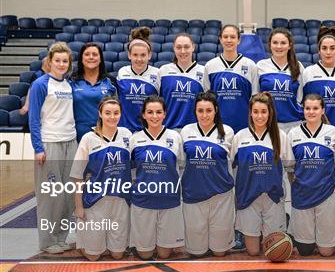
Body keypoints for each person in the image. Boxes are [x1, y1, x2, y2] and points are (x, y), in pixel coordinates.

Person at [29, 42, 77, 254]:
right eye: (57, 60)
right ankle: (47, 241)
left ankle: (61, 237)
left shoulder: (68, 85)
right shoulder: (40, 84)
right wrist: (38, 148)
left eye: (65, 61)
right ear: (50, 62)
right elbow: (33, 118)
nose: (61, 64)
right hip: (50, 144)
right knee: (50, 196)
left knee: (67, 195)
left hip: (70, 142)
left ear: (69, 63)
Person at [70, 96, 132, 261]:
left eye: (116, 113)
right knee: (93, 256)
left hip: (120, 199)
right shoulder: (89, 138)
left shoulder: (127, 135)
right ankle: (84, 242)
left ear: (121, 114)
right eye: (108, 113)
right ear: (100, 114)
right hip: (95, 200)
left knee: (118, 255)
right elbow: (77, 175)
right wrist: (78, 207)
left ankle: (104, 241)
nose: (112, 117)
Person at [232, 92, 288, 255]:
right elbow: (232, 164)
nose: (259, 116)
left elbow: (289, 165)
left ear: (269, 113)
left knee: (273, 252)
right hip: (248, 196)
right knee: (253, 252)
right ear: (250, 113)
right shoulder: (240, 137)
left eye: (263, 111)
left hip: (273, 197)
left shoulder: (280, 136)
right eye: (255, 112)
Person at [180, 91, 235, 257]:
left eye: (208, 110)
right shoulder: (186, 131)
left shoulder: (227, 131)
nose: (204, 115)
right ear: (195, 111)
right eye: (200, 111)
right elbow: (182, 162)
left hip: (221, 195)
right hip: (193, 194)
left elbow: (231, 161)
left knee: (219, 252)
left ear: (216, 110)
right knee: (197, 253)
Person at [285, 93, 335, 256]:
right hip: (303, 194)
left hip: (327, 193)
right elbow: (290, 167)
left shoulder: (332, 131)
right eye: (307, 108)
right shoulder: (293, 133)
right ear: (303, 110)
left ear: (322, 110)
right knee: (305, 251)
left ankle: (329, 236)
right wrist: (296, 187)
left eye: (315, 108)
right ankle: (295, 227)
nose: (311, 112)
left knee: (326, 252)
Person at [130, 96, 184, 259]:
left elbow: (180, 166)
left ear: (165, 114)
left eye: (158, 112)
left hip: (169, 200)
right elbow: (132, 170)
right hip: (143, 201)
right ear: (144, 115)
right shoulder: (135, 138)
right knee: (145, 254)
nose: (154, 116)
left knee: (164, 254)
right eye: (150, 112)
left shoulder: (175, 137)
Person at [204, 24, 258, 133]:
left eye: (233, 37)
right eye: (225, 37)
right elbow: (207, 100)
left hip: (243, 124)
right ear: (220, 39)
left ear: (238, 40)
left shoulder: (250, 65)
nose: (229, 40)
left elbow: (255, 97)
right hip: (217, 125)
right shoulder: (210, 66)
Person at [302, 26, 335, 131]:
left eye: (332, 48)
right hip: (317, 132)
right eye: (324, 48)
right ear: (319, 51)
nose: (328, 52)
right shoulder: (308, 72)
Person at [257, 28, 304, 133]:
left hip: (293, 124)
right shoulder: (261, 66)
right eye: (275, 43)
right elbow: (256, 95)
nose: (279, 46)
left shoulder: (298, 66)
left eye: (283, 43)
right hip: (268, 124)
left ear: (289, 45)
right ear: (269, 45)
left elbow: (300, 97)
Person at [70, 43, 117, 141]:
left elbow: (118, 110)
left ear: (100, 59)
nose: (91, 57)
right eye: (87, 54)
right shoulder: (71, 81)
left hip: (104, 136)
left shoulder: (110, 81)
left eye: (95, 54)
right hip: (77, 136)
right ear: (81, 59)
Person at [158, 33, 206, 131]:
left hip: (194, 132)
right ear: (173, 48)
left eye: (186, 47)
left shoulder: (204, 71)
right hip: (168, 130)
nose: (183, 51)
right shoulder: (163, 71)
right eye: (179, 47)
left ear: (193, 47)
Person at [117, 27, 160, 132]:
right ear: (129, 55)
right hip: (125, 130)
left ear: (149, 55)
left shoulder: (157, 73)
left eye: (143, 55)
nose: (139, 59)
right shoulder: (122, 72)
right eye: (135, 55)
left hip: (148, 131)